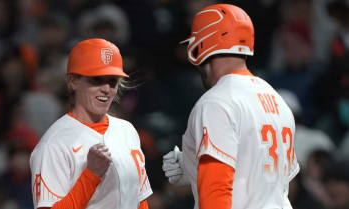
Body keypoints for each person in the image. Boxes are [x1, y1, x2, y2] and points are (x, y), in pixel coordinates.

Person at [162, 4, 299, 209]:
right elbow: (262, 174)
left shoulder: (216, 102)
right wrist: (192, 164)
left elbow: (216, 190)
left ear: (201, 46)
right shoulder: (278, 100)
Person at [30, 38, 152, 209]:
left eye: (112, 81)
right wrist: (91, 175)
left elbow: (139, 199)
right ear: (73, 81)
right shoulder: (53, 145)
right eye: (97, 80)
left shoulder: (127, 130)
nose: (106, 89)